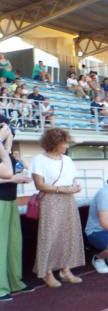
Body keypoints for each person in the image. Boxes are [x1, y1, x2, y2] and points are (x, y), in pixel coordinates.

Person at [30, 128, 85, 288]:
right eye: (64, 142)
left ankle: (65, 270)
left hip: (68, 200)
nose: (66, 145)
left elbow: (73, 179)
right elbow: (39, 184)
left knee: (68, 234)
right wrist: (62, 189)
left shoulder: (67, 160)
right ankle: (47, 272)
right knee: (49, 236)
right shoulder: (39, 159)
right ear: (55, 143)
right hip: (51, 201)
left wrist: (75, 186)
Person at [0, 124, 33, 301]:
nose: (9, 132)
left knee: (13, 244)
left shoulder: (6, 151)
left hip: (10, 200)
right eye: (6, 129)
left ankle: (14, 281)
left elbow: (17, 169)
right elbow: (8, 175)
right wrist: (14, 178)